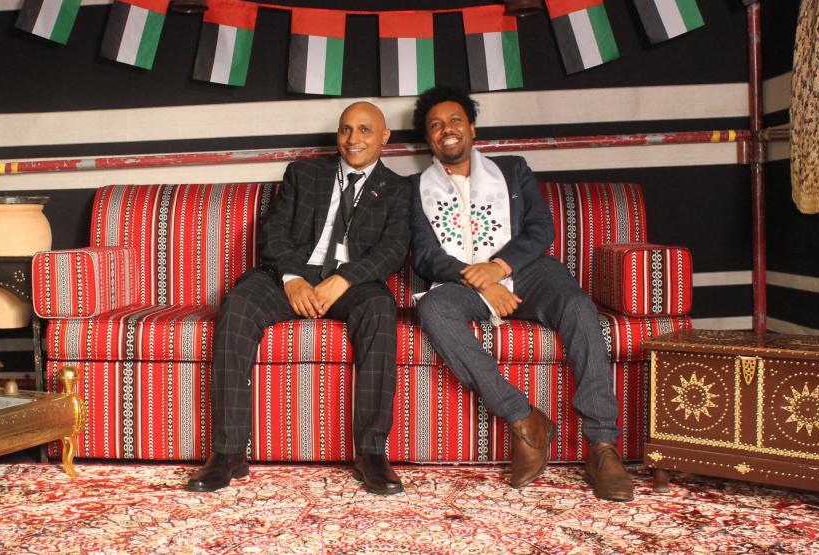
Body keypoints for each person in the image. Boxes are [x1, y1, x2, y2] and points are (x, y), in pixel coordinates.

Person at [408, 86, 633, 502]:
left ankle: (603, 445)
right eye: (435, 125)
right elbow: (425, 255)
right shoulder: (413, 188)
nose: (447, 130)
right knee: (434, 309)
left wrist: (499, 268)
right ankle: (525, 419)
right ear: (428, 138)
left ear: (472, 128)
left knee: (578, 306)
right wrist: (482, 281)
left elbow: (541, 228)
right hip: (462, 284)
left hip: (528, 273)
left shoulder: (512, 170)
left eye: (455, 120)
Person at [187, 101, 411, 495]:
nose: (352, 139)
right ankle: (228, 453)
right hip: (291, 275)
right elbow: (273, 230)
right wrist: (291, 279)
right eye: (345, 129)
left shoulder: (399, 188)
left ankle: (372, 454)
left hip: (353, 284)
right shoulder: (304, 174)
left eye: (364, 130)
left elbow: (393, 249)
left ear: (384, 137)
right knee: (238, 305)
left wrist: (344, 279)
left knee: (380, 309)